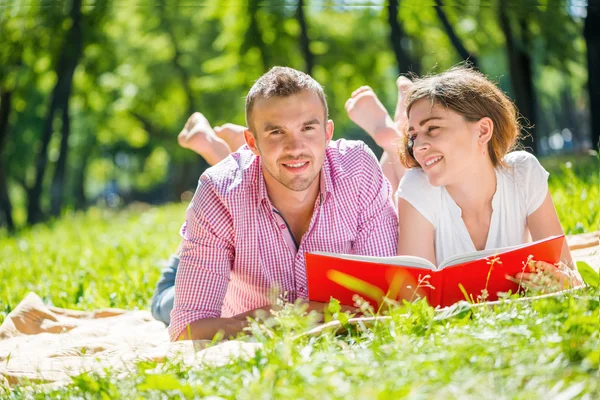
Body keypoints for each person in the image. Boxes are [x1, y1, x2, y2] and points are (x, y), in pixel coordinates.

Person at [160, 67, 398, 341]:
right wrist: (290, 315)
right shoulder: (218, 190)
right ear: (252, 142)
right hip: (223, 289)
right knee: (165, 301)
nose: (295, 146)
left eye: (308, 128)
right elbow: (187, 329)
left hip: (234, 291)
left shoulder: (356, 168)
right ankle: (215, 149)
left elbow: (383, 304)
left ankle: (217, 148)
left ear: (327, 132)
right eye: (276, 132)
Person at [392, 66, 581, 289]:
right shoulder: (417, 186)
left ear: (482, 131)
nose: (419, 146)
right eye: (413, 135)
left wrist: (563, 282)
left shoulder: (523, 174)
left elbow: (570, 277)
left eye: (432, 128)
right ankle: (390, 132)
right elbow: (413, 299)